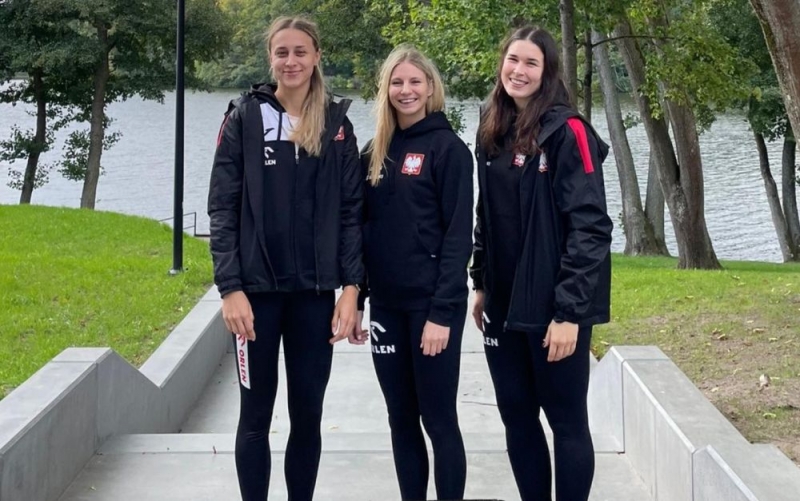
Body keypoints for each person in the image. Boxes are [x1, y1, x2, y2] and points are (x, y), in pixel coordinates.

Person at [207, 15, 363, 501]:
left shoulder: (337, 126)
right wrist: (230, 288)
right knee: (255, 418)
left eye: (300, 52)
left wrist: (352, 290)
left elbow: (352, 214)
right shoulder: (243, 118)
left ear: (316, 56)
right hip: (255, 297)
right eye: (282, 52)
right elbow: (222, 208)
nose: (291, 61)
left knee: (308, 417)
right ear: (270, 58)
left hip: (314, 298)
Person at [469, 25, 613, 501]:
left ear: (547, 72)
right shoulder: (491, 125)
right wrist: (481, 282)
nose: (519, 70)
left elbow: (591, 228)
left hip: (554, 308)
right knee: (516, 415)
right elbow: (486, 213)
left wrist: (569, 313)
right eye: (513, 60)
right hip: (503, 304)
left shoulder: (569, 131)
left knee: (566, 422)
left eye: (531, 63)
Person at [349, 45, 474, 500]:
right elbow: (362, 230)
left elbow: (458, 237)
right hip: (387, 307)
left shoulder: (449, 150)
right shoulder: (373, 152)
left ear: (430, 87)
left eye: (415, 82)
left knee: (438, 419)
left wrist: (442, 313)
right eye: (397, 82)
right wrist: (358, 299)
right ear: (385, 89)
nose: (406, 90)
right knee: (400, 418)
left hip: (431, 309)